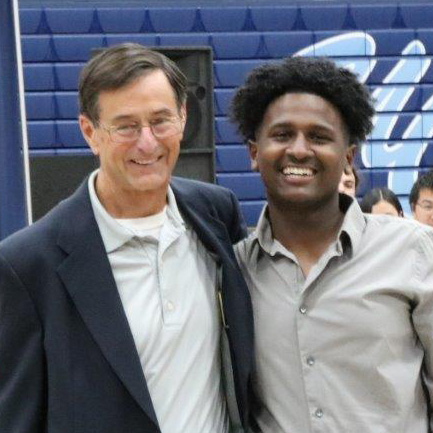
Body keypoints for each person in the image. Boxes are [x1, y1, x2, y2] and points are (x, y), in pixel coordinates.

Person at [0, 43, 254, 433]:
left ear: (183, 118)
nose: (147, 142)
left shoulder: (216, 213)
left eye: (160, 121)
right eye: (126, 126)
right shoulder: (28, 264)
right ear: (90, 132)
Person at [231, 56, 433, 433]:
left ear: (348, 158)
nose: (299, 150)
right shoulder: (235, 271)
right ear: (255, 153)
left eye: (319, 137)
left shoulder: (414, 250)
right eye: (282, 135)